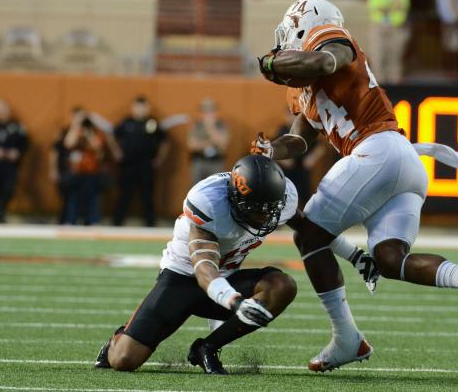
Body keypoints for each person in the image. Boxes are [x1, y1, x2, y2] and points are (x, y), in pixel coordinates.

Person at [255, 0, 458, 372]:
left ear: (307, 24)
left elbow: (322, 62)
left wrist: (272, 62)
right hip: (401, 162)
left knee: (308, 236)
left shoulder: (331, 39)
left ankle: (346, 338)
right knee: (390, 260)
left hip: (376, 150)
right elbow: (300, 139)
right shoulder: (300, 90)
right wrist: (271, 150)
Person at [94, 155, 365, 374]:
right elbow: (203, 269)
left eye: (271, 208)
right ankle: (117, 339)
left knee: (282, 286)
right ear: (236, 199)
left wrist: (355, 255)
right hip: (183, 280)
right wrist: (234, 302)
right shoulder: (209, 204)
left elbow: (310, 230)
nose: (266, 216)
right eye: (258, 208)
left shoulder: (277, 201)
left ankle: (207, 348)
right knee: (125, 360)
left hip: (228, 279)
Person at [113, 95, 169, 227]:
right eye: (138, 107)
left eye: (143, 107)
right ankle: (117, 222)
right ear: (133, 108)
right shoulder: (126, 122)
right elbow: (113, 135)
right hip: (128, 164)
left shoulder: (152, 123)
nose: (141, 110)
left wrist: (160, 157)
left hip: (146, 164)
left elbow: (165, 140)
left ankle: (150, 223)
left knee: (148, 195)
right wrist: (116, 151)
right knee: (125, 194)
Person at [62, 106, 107, 225]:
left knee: (92, 197)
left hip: (90, 170)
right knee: (73, 197)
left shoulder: (93, 131)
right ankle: (71, 221)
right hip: (75, 170)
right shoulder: (71, 130)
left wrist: (88, 132)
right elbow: (68, 143)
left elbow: (97, 146)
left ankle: (92, 221)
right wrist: (76, 126)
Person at [366, 0, 411, 84]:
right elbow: (374, 8)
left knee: (394, 61)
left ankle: (396, 92)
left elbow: (402, 5)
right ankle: (379, 92)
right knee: (377, 59)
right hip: (379, 28)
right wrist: (390, 7)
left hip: (396, 28)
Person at [187, 98, 229, 185]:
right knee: (197, 189)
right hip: (199, 161)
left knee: (216, 188)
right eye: (205, 112)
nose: (209, 114)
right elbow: (192, 145)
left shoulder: (221, 125)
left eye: (211, 111)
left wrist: (211, 127)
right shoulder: (196, 125)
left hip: (216, 162)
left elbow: (223, 143)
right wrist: (209, 143)